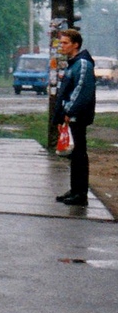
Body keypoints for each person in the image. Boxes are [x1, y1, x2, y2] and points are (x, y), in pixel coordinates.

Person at [54, 28, 96, 206]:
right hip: (70, 117)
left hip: (77, 116)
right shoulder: (73, 63)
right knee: (74, 154)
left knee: (79, 154)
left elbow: (81, 91)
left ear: (75, 44)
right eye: (61, 43)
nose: (61, 46)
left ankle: (81, 194)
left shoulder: (83, 64)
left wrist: (68, 112)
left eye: (65, 43)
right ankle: (75, 189)